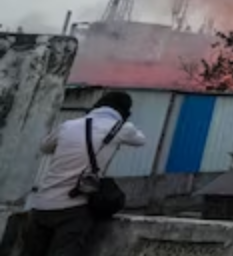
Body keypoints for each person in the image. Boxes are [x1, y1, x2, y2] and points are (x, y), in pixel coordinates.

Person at [24, 91, 146, 256]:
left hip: (41, 204)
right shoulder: (122, 129)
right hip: (74, 209)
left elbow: (45, 147)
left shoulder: (68, 125)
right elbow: (141, 140)